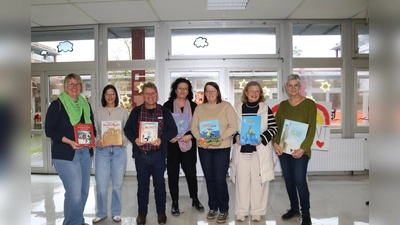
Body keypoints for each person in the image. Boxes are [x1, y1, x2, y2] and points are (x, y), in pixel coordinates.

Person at [44, 73, 95, 225]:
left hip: (85, 152)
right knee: (74, 194)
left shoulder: (86, 104)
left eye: (77, 84)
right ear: (65, 86)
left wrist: (95, 137)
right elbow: (49, 130)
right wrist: (69, 142)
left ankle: (78, 221)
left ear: (81, 86)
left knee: (84, 191)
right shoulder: (57, 105)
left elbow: (91, 126)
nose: (74, 87)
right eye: (71, 84)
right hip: (65, 155)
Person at [124, 82, 178, 225]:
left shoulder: (164, 111)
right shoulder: (136, 111)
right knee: (142, 185)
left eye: (153, 93)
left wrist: (162, 139)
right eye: (147, 93)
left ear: (157, 95)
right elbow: (127, 129)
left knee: (159, 185)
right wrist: (135, 140)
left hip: (158, 155)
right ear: (143, 96)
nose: (150, 96)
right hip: (141, 155)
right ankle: (142, 213)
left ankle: (161, 212)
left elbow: (174, 130)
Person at [191, 81, 238, 224]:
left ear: (218, 92)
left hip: (221, 148)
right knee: (209, 179)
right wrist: (202, 140)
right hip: (204, 148)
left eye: (213, 90)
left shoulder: (226, 106)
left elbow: (233, 126)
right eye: (207, 91)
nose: (210, 93)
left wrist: (220, 138)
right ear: (204, 93)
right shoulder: (199, 108)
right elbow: (194, 128)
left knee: (219, 179)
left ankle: (224, 209)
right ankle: (213, 207)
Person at [230, 81, 278, 222]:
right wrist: (236, 136)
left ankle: (257, 211)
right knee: (241, 183)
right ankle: (241, 211)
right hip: (242, 151)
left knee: (259, 182)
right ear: (246, 92)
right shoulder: (237, 108)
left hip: (259, 151)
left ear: (260, 93)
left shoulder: (265, 108)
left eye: (257, 91)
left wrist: (262, 138)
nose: (254, 93)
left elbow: (273, 127)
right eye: (251, 90)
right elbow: (231, 126)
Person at [272, 74, 317, 225]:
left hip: (301, 151)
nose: (292, 88)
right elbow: (276, 128)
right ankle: (294, 209)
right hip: (284, 150)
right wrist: (275, 143)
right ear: (286, 87)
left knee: (300, 180)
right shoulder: (283, 105)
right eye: (289, 85)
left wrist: (303, 149)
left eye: (295, 85)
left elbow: (312, 129)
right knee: (289, 180)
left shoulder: (310, 104)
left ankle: (306, 214)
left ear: (300, 87)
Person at [163, 78, 204, 216]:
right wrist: (169, 137)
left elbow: (199, 126)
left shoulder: (194, 106)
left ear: (188, 91)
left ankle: (195, 198)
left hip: (189, 143)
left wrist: (191, 135)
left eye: (185, 88)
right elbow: (163, 126)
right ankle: (175, 202)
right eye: (180, 88)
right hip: (172, 145)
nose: (182, 90)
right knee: (173, 174)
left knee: (191, 173)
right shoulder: (167, 106)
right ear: (175, 90)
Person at [92, 84, 129, 223]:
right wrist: (98, 142)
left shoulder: (122, 111)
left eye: (112, 93)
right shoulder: (98, 112)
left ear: (116, 95)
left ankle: (116, 212)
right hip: (102, 151)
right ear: (103, 96)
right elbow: (94, 132)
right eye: (107, 93)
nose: (110, 96)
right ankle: (101, 212)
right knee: (101, 185)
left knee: (117, 185)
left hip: (119, 151)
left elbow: (127, 131)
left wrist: (122, 140)